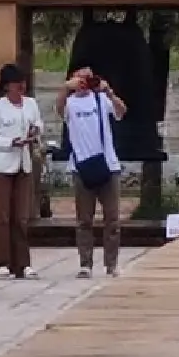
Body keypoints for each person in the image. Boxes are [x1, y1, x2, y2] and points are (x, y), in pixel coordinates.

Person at [57, 66, 127, 279]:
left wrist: (109, 92)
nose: (85, 83)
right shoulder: (70, 104)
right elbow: (58, 108)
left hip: (108, 165)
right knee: (84, 220)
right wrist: (65, 88)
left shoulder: (101, 100)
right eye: (81, 78)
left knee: (112, 220)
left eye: (89, 78)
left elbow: (121, 112)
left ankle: (111, 264)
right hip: (82, 167)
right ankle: (85, 263)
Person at [0, 63, 44, 279]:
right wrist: (11, 142)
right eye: (17, 85)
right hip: (1, 167)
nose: (21, 88)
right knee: (1, 216)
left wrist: (35, 131)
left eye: (23, 84)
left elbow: (38, 123)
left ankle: (22, 263)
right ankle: (1, 262)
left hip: (22, 165)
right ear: (8, 86)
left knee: (21, 217)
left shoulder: (30, 104)